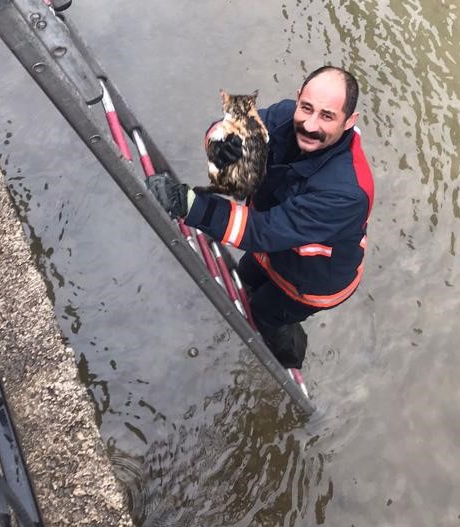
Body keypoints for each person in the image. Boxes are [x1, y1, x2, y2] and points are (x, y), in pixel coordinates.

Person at [147, 66, 374, 369]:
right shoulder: (284, 116)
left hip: (313, 281)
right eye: (306, 108)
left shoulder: (346, 192)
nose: (309, 124)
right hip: (276, 249)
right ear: (297, 100)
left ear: (349, 121)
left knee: (266, 314)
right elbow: (234, 126)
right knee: (246, 275)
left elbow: (260, 231)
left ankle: (290, 361)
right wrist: (222, 146)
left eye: (327, 116)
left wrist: (190, 205)